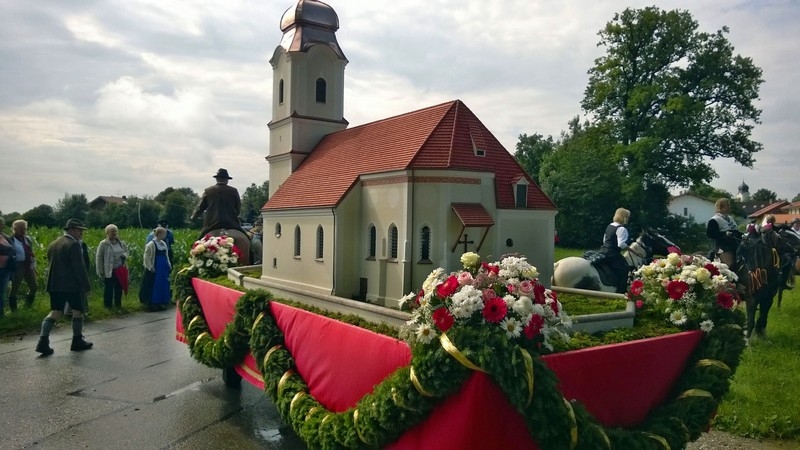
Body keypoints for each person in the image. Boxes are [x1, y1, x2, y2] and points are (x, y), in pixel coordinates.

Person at [36, 219, 93, 355]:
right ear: (72, 230)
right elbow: (79, 268)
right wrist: (86, 287)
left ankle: (43, 341)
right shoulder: (73, 245)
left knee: (55, 311)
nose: (81, 233)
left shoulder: (54, 243)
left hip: (54, 284)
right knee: (78, 311)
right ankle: (77, 340)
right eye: (79, 230)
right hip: (71, 285)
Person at [191, 168, 247, 238]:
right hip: (231, 224)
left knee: (198, 243)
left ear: (217, 179)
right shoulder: (233, 191)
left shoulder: (208, 191)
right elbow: (238, 209)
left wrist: (193, 217)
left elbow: (200, 208)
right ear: (227, 180)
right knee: (247, 238)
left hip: (212, 224)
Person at [599, 207, 638, 293]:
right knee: (625, 270)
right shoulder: (621, 229)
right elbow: (621, 244)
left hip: (603, 251)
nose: (628, 219)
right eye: (627, 217)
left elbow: (604, 240)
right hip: (612, 254)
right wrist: (633, 251)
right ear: (624, 217)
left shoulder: (610, 226)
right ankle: (621, 292)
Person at [95, 224, 129, 309]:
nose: (114, 233)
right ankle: (108, 306)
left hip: (120, 270)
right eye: (112, 231)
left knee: (119, 288)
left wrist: (124, 255)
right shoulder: (104, 244)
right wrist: (100, 271)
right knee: (109, 288)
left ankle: (118, 304)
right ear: (107, 233)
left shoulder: (121, 243)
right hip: (109, 270)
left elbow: (127, 252)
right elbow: (99, 257)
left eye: (115, 231)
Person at [8, 219, 38, 310]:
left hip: (28, 265)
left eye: (24, 228)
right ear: (14, 229)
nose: (23, 230)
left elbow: (30, 250)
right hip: (18, 265)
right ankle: (14, 311)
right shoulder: (11, 239)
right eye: (21, 228)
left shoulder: (27, 239)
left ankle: (27, 306)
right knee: (15, 287)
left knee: (34, 286)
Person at [140, 226, 172, 311]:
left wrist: (168, 264)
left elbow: (166, 255)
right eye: (164, 234)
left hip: (163, 267)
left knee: (162, 284)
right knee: (154, 285)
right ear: (159, 234)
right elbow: (146, 257)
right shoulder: (151, 244)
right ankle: (152, 303)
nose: (165, 235)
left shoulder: (163, 243)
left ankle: (161, 302)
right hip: (155, 266)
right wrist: (150, 267)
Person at [706, 198, 742, 268]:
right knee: (730, 264)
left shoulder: (730, 218)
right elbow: (710, 233)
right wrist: (724, 234)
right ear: (721, 207)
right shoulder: (714, 219)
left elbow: (735, 231)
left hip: (736, 246)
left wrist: (744, 236)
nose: (730, 207)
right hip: (723, 247)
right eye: (727, 205)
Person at [0, 218, 15, 318]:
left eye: (2, 224)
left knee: (2, 291)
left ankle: (1, 314)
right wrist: (9, 249)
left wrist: (9, 249)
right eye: (0, 223)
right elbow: (5, 248)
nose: (2, 225)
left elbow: (12, 248)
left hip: (6, 268)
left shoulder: (4, 236)